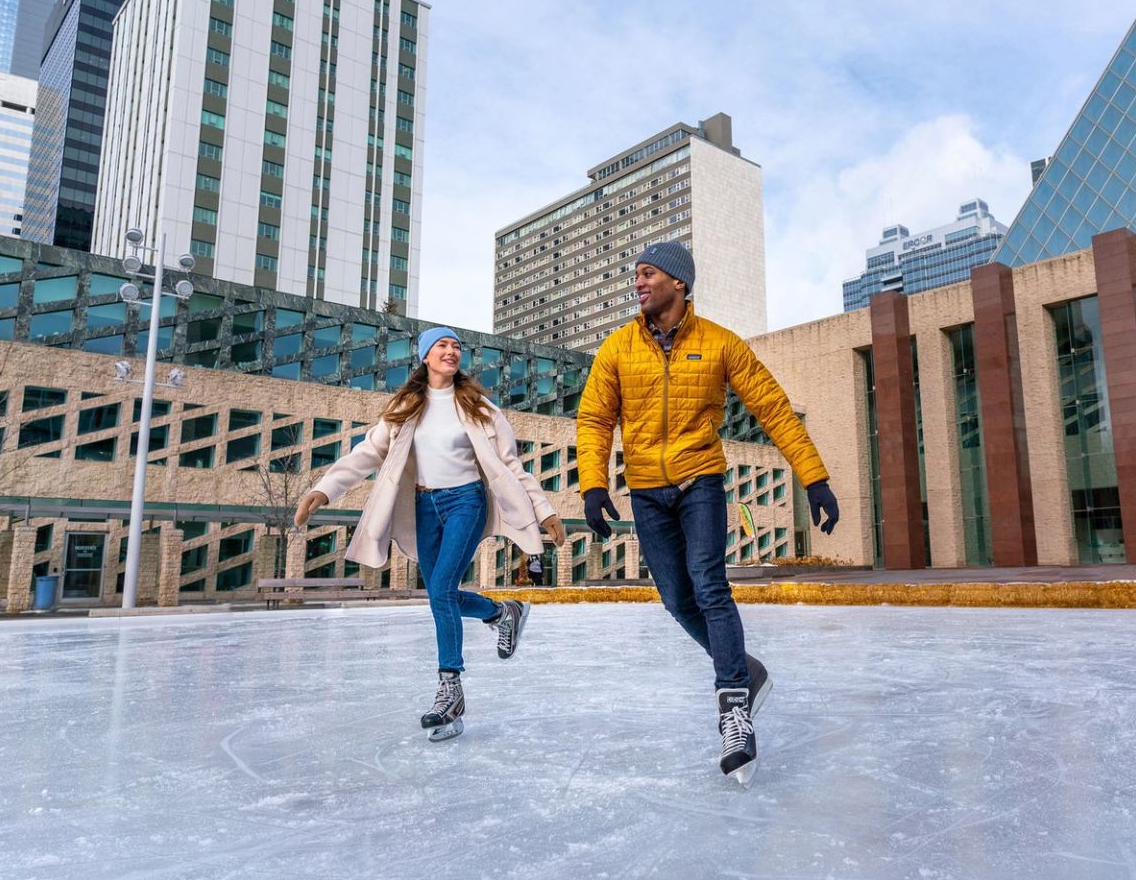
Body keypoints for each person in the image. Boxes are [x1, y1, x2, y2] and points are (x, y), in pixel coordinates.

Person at [575, 241, 839, 784]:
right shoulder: (617, 348)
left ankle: (734, 707)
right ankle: (746, 670)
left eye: (648, 274)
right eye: (637, 275)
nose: (638, 283)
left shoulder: (720, 344)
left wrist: (813, 478)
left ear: (678, 282)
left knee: (709, 585)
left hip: (701, 481)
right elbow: (595, 419)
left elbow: (774, 410)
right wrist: (593, 485)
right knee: (676, 598)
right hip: (647, 491)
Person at [295, 327, 564, 741]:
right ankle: (501, 613)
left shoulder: (480, 408)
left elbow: (511, 465)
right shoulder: (406, 406)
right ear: (425, 356)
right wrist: (324, 488)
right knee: (443, 593)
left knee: (440, 590)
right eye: (442, 345)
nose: (451, 351)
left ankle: (450, 689)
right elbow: (368, 452)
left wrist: (544, 511)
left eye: (456, 346)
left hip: (466, 501)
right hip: (424, 505)